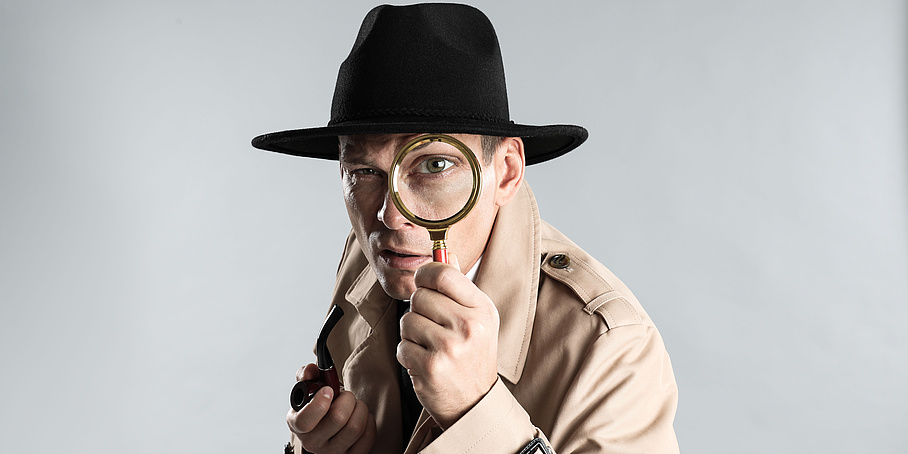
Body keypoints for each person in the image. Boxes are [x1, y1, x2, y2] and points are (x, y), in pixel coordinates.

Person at [252, 4, 679, 454]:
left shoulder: (612, 345)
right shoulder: (366, 261)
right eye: (363, 171)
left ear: (508, 171)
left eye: (434, 165)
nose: (391, 218)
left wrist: (477, 412)